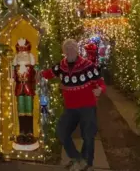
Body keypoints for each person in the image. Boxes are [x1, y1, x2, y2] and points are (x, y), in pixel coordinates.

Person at [40, 39, 106, 171]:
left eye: (72, 48)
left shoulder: (88, 65)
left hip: (87, 106)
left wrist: (100, 89)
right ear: (64, 51)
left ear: (77, 50)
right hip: (70, 108)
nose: (70, 51)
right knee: (61, 131)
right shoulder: (61, 66)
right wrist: (38, 74)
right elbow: (48, 73)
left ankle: (87, 164)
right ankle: (77, 159)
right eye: (67, 48)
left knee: (88, 135)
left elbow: (100, 82)